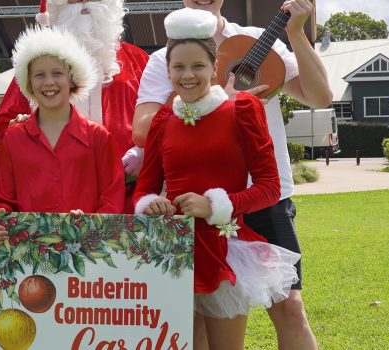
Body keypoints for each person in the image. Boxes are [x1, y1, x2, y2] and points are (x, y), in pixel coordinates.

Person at [133, 1, 331, 349]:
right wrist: (214, 101)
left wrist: (296, 34)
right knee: (196, 325)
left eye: (198, 66)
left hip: (265, 198)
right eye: (180, 67)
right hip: (191, 210)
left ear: (213, 67)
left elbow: (319, 96)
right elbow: (142, 130)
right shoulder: (162, 59)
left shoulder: (256, 40)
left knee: (290, 310)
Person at [0, 0, 149, 213]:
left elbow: (162, 120)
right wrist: (21, 127)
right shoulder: (37, 67)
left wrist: (145, 152)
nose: (84, 3)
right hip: (48, 202)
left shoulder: (138, 61)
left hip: (125, 200)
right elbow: (4, 129)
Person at [0, 26, 125, 246]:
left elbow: (113, 198)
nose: (49, 82)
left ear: (72, 79)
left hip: (86, 252)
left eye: (57, 73)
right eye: (39, 75)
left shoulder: (99, 137)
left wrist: (92, 223)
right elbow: (4, 198)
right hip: (30, 254)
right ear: (28, 83)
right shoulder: (12, 139)